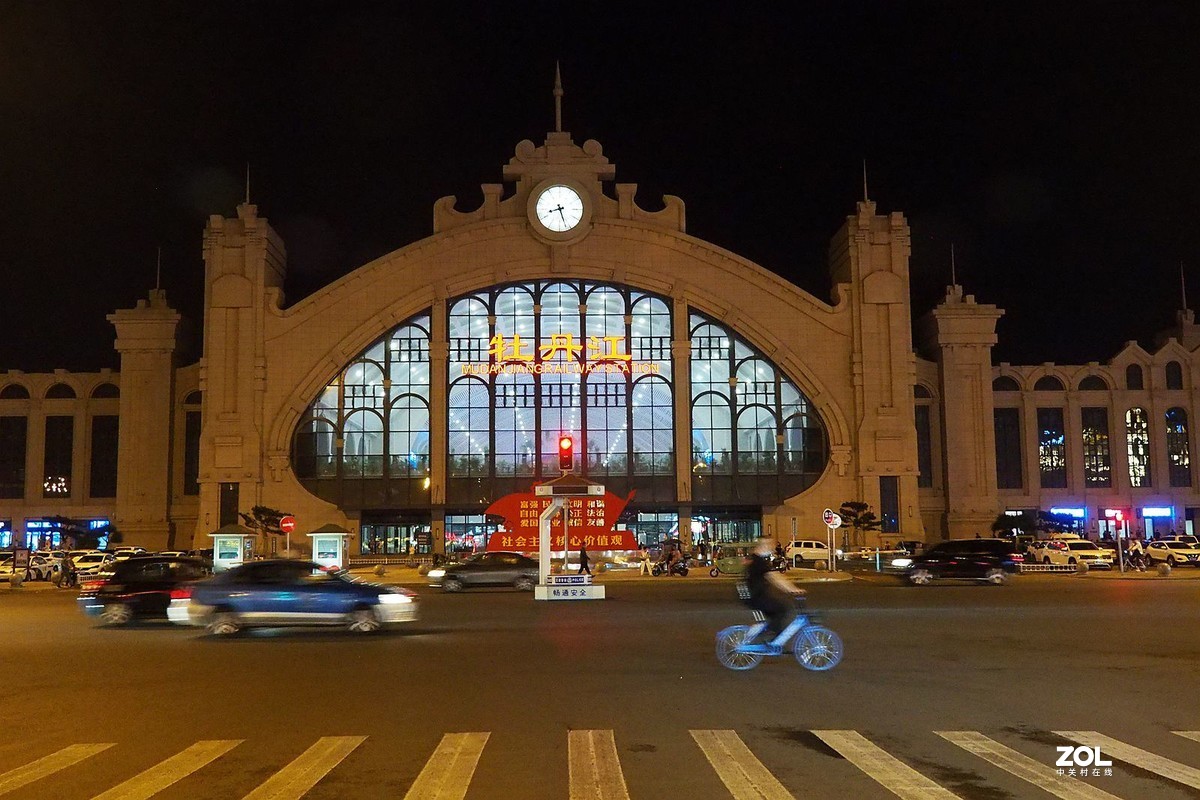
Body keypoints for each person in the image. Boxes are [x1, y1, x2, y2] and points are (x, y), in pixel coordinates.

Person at [744, 537, 805, 644]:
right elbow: (775, 578)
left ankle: (770, 636)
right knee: (782, 609)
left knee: (775, 613)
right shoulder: (759, 562)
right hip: (754, 596)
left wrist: (791, 589)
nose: (773, 549)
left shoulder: (756, 559)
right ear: (763, 546)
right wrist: (793, 590)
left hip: (754, 595)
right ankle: (772, 640)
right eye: (770, 546)